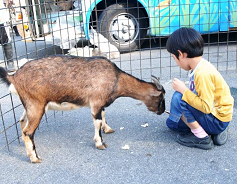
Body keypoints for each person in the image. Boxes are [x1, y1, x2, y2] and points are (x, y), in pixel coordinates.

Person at [165, 27, 234, 150]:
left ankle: (202, 138)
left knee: (179, 98)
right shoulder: (199, 66)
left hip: (216, 120)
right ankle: (216, 131)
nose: (175, 61)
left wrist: (184, 91)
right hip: (219, 116)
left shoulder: (202, 74)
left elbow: (206, 107)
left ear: (180, 54)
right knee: (171, 123)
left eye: (174, 57)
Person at [0, 0, 16, 72]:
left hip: (1, 20)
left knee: (6, 41)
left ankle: (10, 63)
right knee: (6, 41)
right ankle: (10, 64)